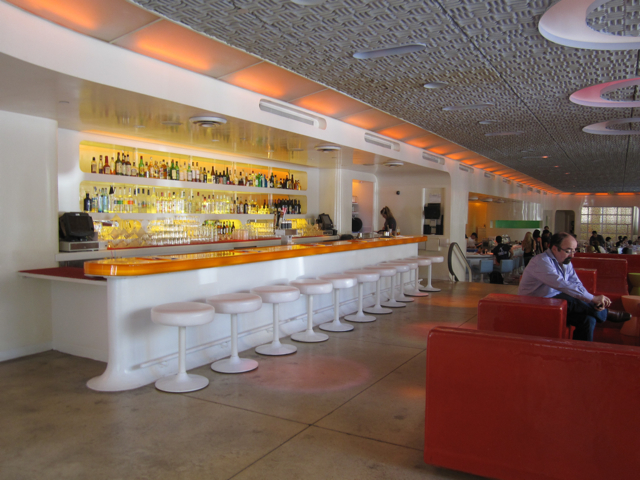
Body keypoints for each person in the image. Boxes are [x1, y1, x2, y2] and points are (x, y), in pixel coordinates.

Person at [519, 232, 631, 341]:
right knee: (571, 300)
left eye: (574, 251)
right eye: (568, 251)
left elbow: (576, 282)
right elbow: (561, 284)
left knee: (588, 319)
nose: (572, 255)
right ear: (554, 248)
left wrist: (590, 299)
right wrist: (592, 299)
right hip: (535, 303)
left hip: (555, 302)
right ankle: (606, 313)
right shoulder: (541, 261)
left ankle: (581, 351)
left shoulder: (565, 261)